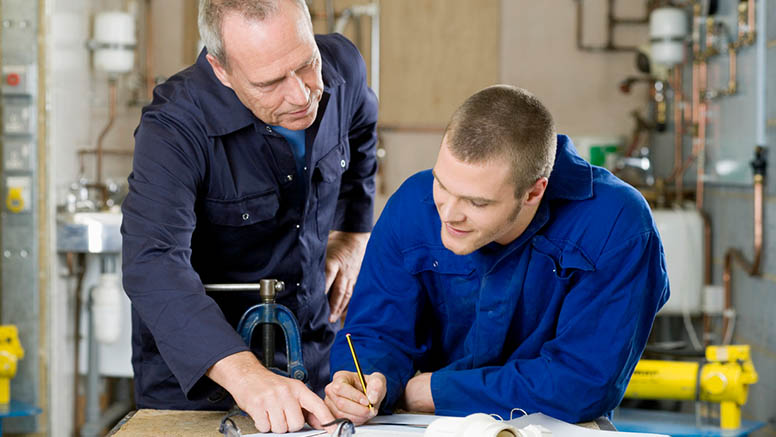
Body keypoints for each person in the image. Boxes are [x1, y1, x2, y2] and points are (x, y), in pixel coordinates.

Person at [324, 85, 669, 424]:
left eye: (477, 202)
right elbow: (374, 333)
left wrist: (429, 391)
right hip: (429, 425)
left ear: (534, 191)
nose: (448, 214)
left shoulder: (617, 225)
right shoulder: (411, 206)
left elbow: (583, 382)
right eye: (442, 185)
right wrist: (366, 379)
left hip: (558, 428)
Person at [121, 0, 378, 432]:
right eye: (270, 83)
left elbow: (363, 132)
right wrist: (245, 375)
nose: (300, 95)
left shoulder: (344, 66)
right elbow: (152, 262)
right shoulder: (173, 128)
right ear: (222, 71)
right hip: (200, 391)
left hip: (313, 356)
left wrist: (352, 234)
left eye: (306, 64)